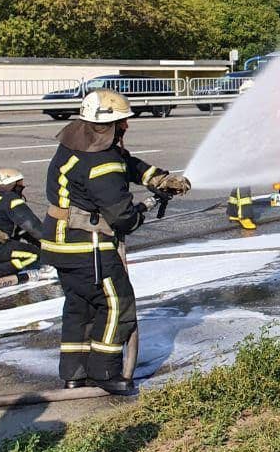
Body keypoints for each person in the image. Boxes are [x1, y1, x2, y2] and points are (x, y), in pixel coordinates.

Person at [43, 89, 191, 394]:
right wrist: (143, 209)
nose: (126, 127)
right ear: (108, 125)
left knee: (80, 306)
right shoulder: (100, 163)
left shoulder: (76, 141)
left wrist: (157, 178)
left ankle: (75, 372)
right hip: (89, 247)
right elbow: (123, 218)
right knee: (117, 304)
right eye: (122, 121)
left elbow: (127, 162)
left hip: (61, 245)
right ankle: (105, 372)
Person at [0, 168, 43, 282]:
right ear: (12, 185)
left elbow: (21, 231)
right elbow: (34, 228)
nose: (22, 187)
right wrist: (54, 246)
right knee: (34, 255)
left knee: (19, 242)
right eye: (19, 184)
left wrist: (40, 244)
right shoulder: (10, 199)